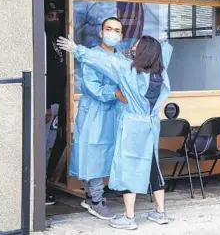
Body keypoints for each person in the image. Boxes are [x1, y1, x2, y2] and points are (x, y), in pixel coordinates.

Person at [57, 34, 173, 230]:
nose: (133, 47)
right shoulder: (161, 73)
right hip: (151, 124)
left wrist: (77, 49)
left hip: (133, 127)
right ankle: (160, 213)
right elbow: (165, 53)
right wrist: (164, 41)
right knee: (153, 167)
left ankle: (129, 218)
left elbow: (104, 61)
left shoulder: (128, 70)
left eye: (136, 45)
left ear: (143, 51)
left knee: (128, 167)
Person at [71, 17, 128, 220]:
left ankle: (92, 196)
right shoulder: (92, 56)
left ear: (121, 36)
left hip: (115, 113)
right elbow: (91, 87)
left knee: (109, 153)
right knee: (93, 152)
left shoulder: (123, 59)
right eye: (109, 29)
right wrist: (115, 93)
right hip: (95, 112)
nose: (113, 33)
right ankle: (95, 200)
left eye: (117, 30)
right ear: (101, 32)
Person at [45, 1, 65, 206]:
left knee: (51, 145)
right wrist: (46, 104)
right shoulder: (42, 40)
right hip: (48, 105)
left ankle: (44, 186)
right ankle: (39, 190)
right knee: (44, 146)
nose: (55, 20)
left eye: (57, 17)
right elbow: (43, 76)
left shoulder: (54, 40)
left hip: (58, 102)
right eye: (51, 17)